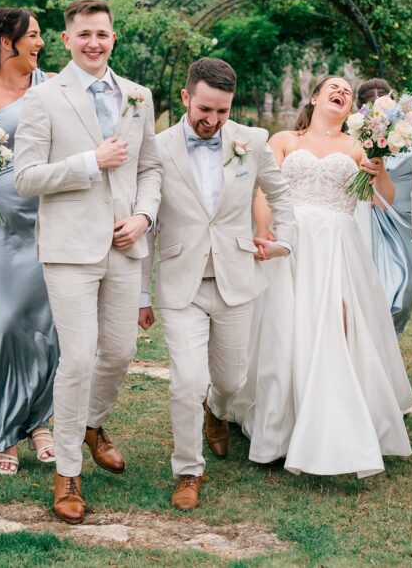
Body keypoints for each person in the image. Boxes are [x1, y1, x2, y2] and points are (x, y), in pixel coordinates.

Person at [14, 0, 162, 524]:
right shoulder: (44, 98)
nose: (94, 42)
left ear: (113, 37)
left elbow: (150, 169)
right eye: (84, 35)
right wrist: (88, 163)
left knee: (119, 353)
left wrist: (144, 215)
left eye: (102, 33)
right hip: (69, 249)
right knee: (77, 358)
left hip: (125, 244)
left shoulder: (139, 96)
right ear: (66, 40)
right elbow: (26, 176)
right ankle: (68, 472)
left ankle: (93, 422)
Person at [228, 75, 412, 478]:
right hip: (290, 241)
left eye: (348, 92)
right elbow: (263, 190)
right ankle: (280, 426)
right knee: (285, 326)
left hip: (336, 245)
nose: (342, 92)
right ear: (315, 98)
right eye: (334, 87)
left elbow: (381, 200)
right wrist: (266, 228)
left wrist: (377, 168)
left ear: (351, 110)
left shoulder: (356, 147)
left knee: (335, 325)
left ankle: (331, 420)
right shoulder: (283, 141)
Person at [138, 58, 295, 510]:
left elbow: (281, 195)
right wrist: (143, 295)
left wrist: (282, 240)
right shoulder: (158, 147)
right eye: (205, 109)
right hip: (180, 284)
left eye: (222, 112)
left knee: (229, 379)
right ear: (187, 97)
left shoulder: (253, 141)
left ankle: (218, 410)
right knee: (186, 381)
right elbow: (147, 224)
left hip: (236, 279)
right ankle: (188, 469)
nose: (212, 120)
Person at [0, 8, 60, 475]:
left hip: (50, 214)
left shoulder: (56, 85)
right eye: (33, 35)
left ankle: (40, 423)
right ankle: (2, 431)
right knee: (6, 322)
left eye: (40, 36)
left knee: (48, 324)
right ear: (7, 42)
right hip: (1, 219)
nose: (39, 43)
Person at [355, 78, 412, 334]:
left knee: (404, 287)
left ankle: (389, 343)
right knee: (367, 286)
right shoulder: (355, 140)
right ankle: (368, 347)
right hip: (367, 214)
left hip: (404, 220)